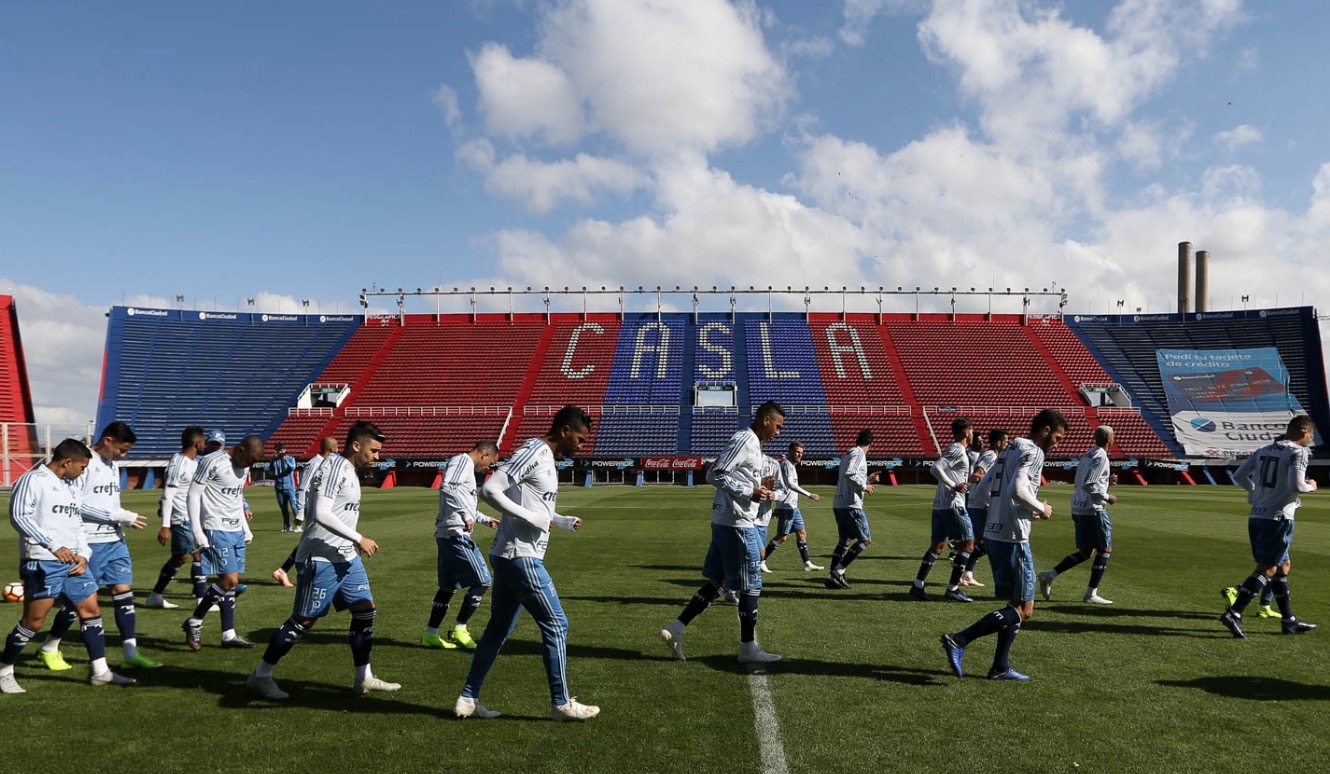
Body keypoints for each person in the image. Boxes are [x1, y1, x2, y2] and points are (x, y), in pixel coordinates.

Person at [454, 406, 598, 721]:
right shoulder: (535, 450)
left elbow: (534, 507)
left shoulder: (544, 458)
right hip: (521, 556)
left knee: (497, 630)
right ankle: (561, 703)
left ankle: (467, 698)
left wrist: (560, 520)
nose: (582, 445)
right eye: (580, 438)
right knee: (557, 625)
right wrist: (531, 516)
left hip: (511, 554)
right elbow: (490, 489)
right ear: (564, 431)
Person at [246, 421, 400, 699]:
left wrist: (351, 543)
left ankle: (363, 678)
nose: (377, 457)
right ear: (356, 446)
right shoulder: (335, 467)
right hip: (321, 557)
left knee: (365, 611)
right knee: (302, 621)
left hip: (344, 557)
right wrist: (358, 537)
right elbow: (321, 513)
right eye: (374, 451)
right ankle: (261, 675)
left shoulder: (350, 470)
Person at [941, 409, 1068, 681]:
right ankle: (960, 639)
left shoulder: (1009, 450)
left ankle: (1000, 666)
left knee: (1018, 605)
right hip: (1014, 537)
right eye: (1057, 437)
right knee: (1025, 609)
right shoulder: (1034, 452)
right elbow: (1018, 490)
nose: (1057, 443)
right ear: (1045, 430)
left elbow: (984, 490)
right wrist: (1040, 508)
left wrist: (1014, 509)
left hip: (996, 532)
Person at [1, 439, 134, 693]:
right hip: (43, 560)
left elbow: (77, 525)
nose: (83, 473)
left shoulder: (71, 487)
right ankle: (4, 669)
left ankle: (100, 672)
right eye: (82, 467)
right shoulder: (33, 481)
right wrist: (52, 545)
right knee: (34, 622)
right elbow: (19, 516)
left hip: (73, 561)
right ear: (67, 462)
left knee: (91, 610)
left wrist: (83, 553)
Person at [658, 401, 785, 665]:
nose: (778, 432)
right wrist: (749, 491)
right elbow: (714, 474)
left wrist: (757, 485)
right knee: (753, 585)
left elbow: (735, 477)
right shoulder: (744, 440)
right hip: (737, 524)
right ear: (765, 420)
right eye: (778, 426)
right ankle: (748, 649)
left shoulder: (753, 446)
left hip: (727, 521)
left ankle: (676, 628)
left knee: (721, 581)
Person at [40, 422, 161, 671]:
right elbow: (77, 505)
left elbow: (109, 504)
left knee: (123, 594)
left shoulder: (111, 465)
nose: (123, 455)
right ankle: (50, 645)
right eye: (122, 449)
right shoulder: (82, 462)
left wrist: (118, 519)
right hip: (88, 542)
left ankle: (130, 653)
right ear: (108, 440)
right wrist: (117, 516)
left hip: (114, 540)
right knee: (78, 603)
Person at [1219, 415, 1319, 638]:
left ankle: (1289, 620)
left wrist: (1256, 493)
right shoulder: (1298, 451)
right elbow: (1297, 486)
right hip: (1278, 517)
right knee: (1267, 569)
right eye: (1311, 435)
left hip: (1257, 515)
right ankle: (1235, 612)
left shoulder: (1263, 449)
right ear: (1304, 431)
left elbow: (1239, 475)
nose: (1310, 439)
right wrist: (1311, 486)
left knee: (1283, 566)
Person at [182, 435, 264, 650]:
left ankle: (228, 634)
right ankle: (195, 621)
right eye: (250, 460)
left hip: (235, 529)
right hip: (215, 526)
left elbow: (236, 498)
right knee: (229, 580)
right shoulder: (211, 461)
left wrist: (246, 529)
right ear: (240, 449)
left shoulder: (244, 466)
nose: (250, 465)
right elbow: (193, 494)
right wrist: (197, 530)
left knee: (229, 583)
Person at [423, 440, 501, 650]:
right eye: (490, 463)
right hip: (456, 534)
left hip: (448, 533)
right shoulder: (462, 461)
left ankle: (430, 634)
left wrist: (485, 519)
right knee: (483, 581)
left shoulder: (465, 467)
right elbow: (447, 487)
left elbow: (463, 502)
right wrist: (466, 514)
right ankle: (460, 629)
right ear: (485, 454)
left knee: (448, 587)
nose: (488, 469)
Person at [1039, 426, 1117, 605]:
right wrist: (1107, 496)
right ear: (1108, 439)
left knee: (1086, 551)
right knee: (1105, 549)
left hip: (1078, 507)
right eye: (1113, 437)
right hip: (1093, 509)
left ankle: (1050, 575)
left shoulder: (1087, 455)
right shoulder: (1101, 456)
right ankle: (1091, 594)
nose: (1114, 440)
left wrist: (1106, 483)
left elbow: (1082, 482)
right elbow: (1089, 484)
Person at [910, 418, 976, 602]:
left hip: (941, 506)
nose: (973, 435)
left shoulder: (957, 449)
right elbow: (936, 467)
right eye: (971, 431)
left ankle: (918, 586)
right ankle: (953, 588)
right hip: (953, 506)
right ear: (965, 432)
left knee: (938, 547)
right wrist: (953, 485)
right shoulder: (957, 449)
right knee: (968, 545)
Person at [145, 426, 208, 610]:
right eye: (203, 441)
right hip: (182, 516)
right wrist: (165, 525)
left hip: (191, 516)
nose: (205, 444)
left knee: (179, 557)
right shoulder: (178, 463)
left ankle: (155, 595)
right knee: (199, 554)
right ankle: (201, 599)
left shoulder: (193, 462)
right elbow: (169, 493)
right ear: (197, 443)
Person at [272, 437, 339, 588]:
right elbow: (302, 487)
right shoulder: (314, 463)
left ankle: (283, 570)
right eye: (336, 448)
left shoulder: (326, 463)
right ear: (331, 449)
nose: (338, 450)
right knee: (313, 541)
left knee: (311, 541)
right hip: (313, 509)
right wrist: (300, 512)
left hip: (321, 509)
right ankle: (290, 571)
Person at [825, 429, 880, 589]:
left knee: (845, 540)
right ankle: (838, 570)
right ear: (870, 444)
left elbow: (849, 475)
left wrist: (868, 479)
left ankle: (831, 577)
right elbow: (850, 474)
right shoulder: (859, 454)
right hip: (851, 504)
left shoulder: (848, 454)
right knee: (865, 539)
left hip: (840, 503)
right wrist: (865, 485)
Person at [760, 441, 823, 573]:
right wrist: (809, 494)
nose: (800, 454)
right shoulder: (787, 464)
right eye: (797, 452)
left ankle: (807, 563)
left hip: (793, 506)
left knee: (801, 533)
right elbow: (789, 484)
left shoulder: (791, 465)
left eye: (801, 452)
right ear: (790, 452)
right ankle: (761, 560)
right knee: (782, 536)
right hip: (787, 507)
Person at [961, 429, 1008, 587]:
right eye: (1006, 441)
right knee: (988, 541)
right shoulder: (990, 456)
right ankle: (962, 570)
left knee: (981, 542)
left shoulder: (994, 456)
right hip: (981, 505)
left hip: (979, 504)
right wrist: (990, 500)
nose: (1007, 444)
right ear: (998, 442)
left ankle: (966, 573)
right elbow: (975, 475)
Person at [270, 444, 299, 532]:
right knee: (283, 507)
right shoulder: (275, 460)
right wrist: (272, 459)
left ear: (284, 450)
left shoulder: (290, 458)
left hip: (289, 486)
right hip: (279, 487)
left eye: (280, 450)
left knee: (294, 506)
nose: (278, 452)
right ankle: (288, 526)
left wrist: (284, 459)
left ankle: (298, 525)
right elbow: (270, 469)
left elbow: (292, 467)